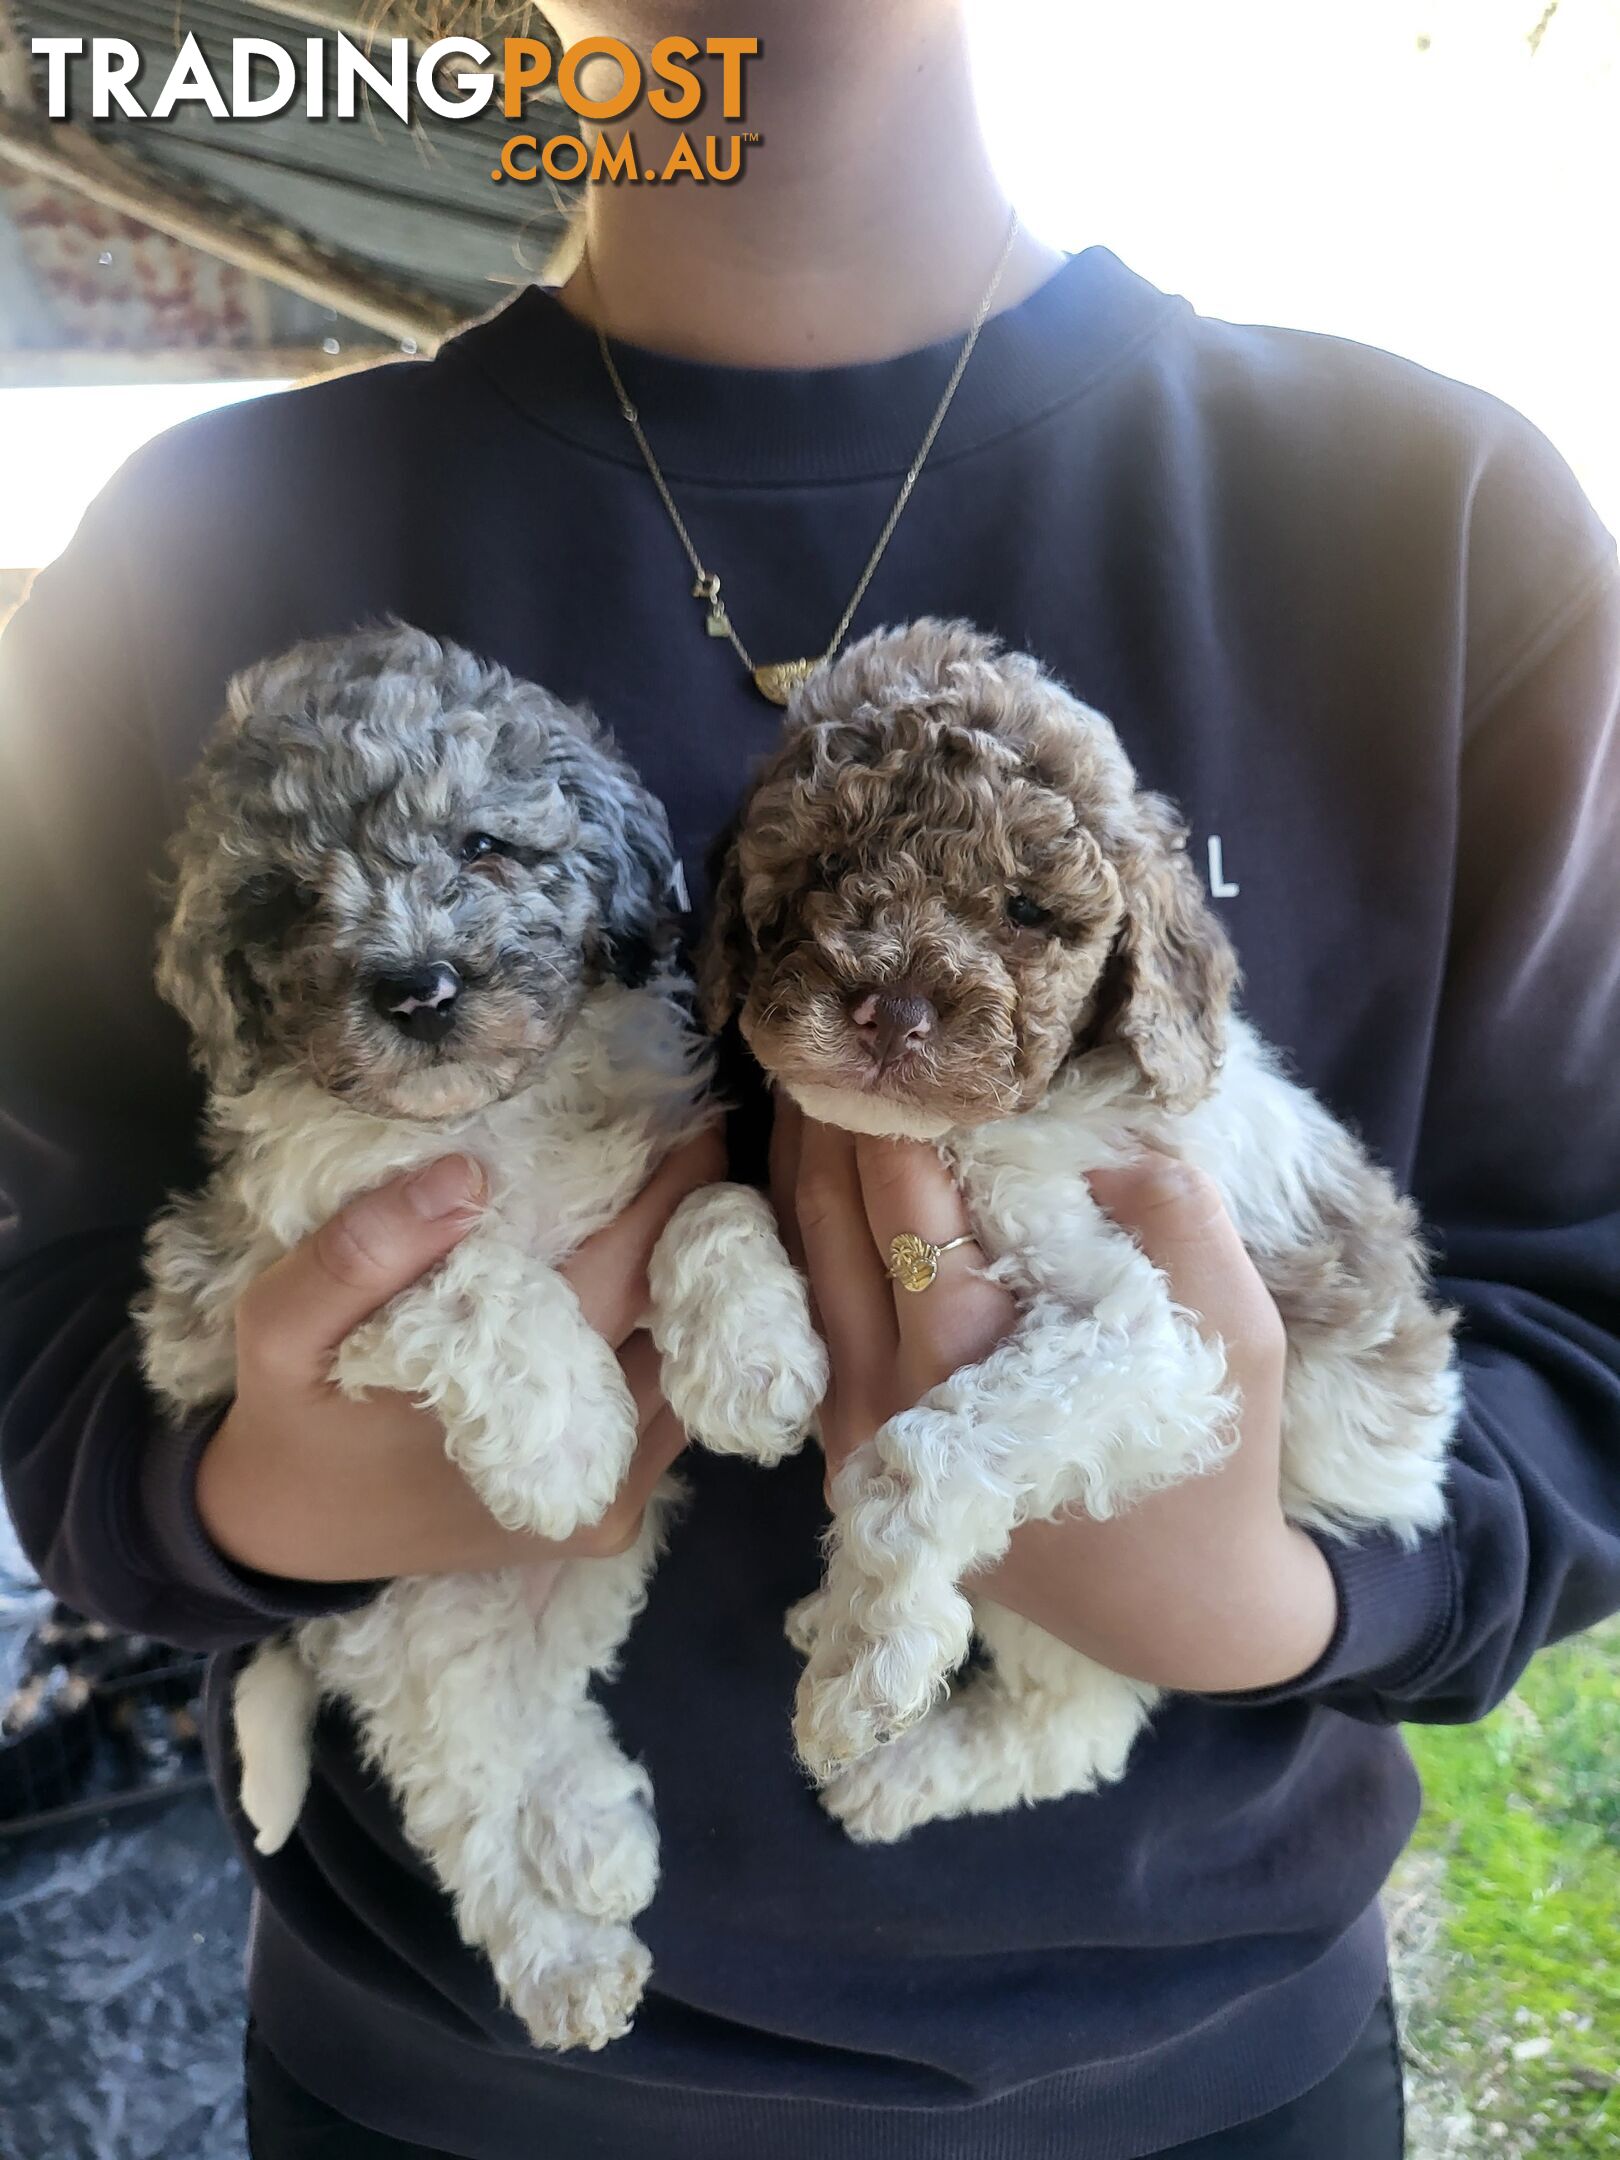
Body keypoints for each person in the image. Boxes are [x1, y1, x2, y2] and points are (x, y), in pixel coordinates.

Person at [3, 4, 1618, 2155]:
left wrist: (1282, 1598)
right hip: (443, 2061)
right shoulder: (192, 542)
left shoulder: (1431, 516)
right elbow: (52, 1304)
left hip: (1209, 2076)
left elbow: (1573, 1318)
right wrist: (234, 1501)